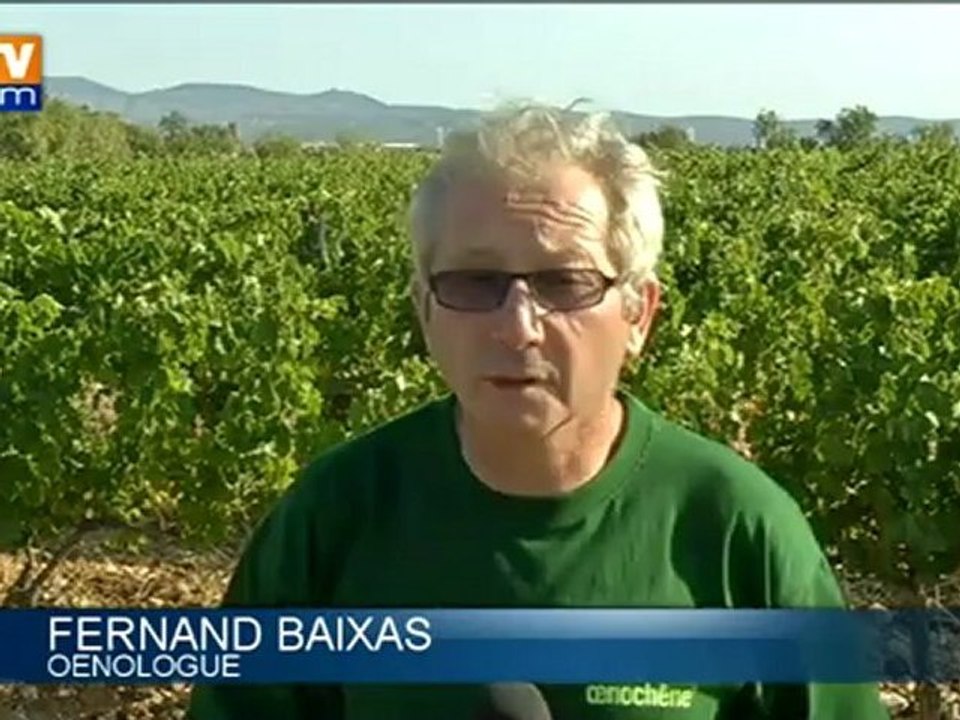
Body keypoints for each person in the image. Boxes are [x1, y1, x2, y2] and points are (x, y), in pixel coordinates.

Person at [187, 103, 889, 719]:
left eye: (565, 282)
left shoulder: (738, 531)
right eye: (475, 282)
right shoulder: (335, 516)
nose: (518, 326)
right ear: (424, 310)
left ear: (639, 314)